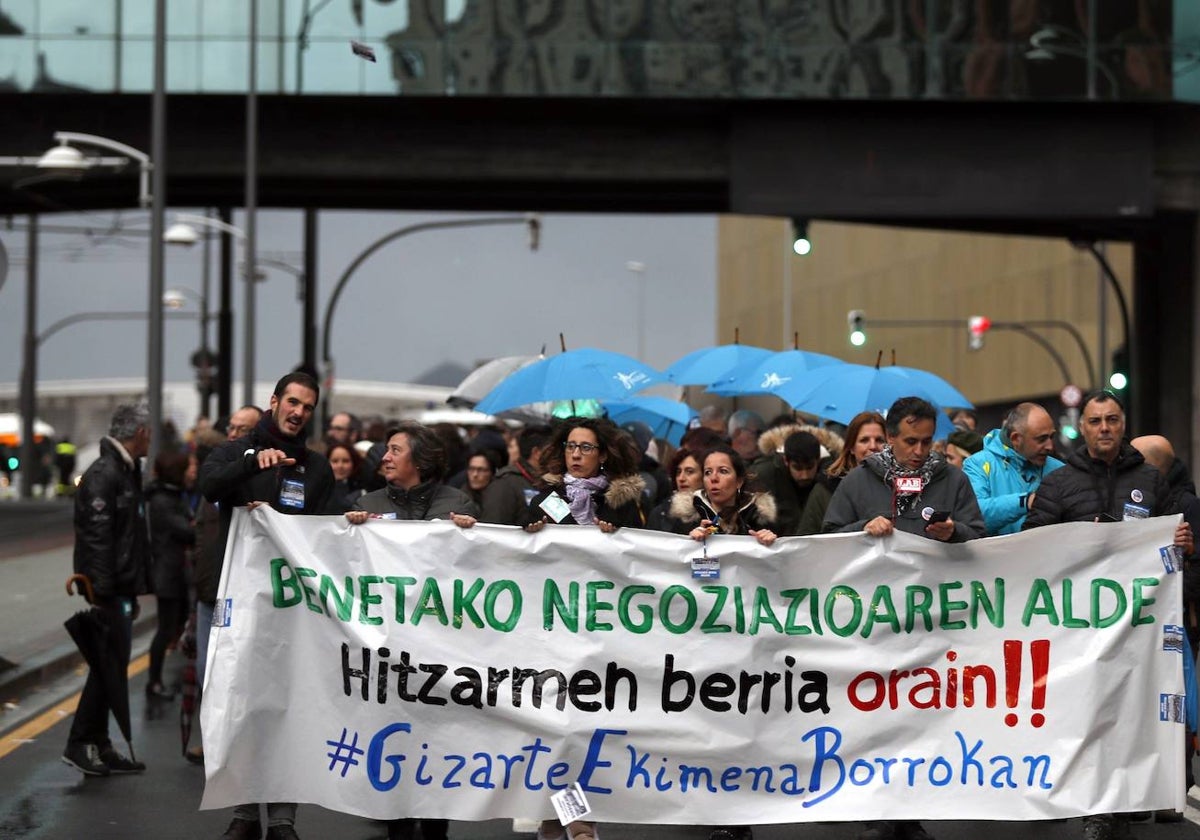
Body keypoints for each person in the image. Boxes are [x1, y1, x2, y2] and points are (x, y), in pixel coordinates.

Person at [1022, 391, 1193, 840]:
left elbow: (1173, 539)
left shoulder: (1151, 481)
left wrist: (1183, 544)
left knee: (1130, 714)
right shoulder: (1060, 483)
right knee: (1088, 715)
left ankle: (1124, 799)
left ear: (1123, 425)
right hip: (1078, 627)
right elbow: (1030, 542)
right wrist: (1079, 538)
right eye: (1095, 421)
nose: (1103, 428)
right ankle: (1097, 808)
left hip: (1136, 626)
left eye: (1111, 420)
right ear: (1084, 428)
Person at [823, 397, 984, 840]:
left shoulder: (951, 479)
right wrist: (860, 530)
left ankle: (909, 813)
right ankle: (880, 810)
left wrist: (957, 533)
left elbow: (980, 537)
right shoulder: (857, 482)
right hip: (874, 622)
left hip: (932, 622)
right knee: (876, 716)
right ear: (890, 437)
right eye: (910, 441)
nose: (919, 450)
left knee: (921, 716)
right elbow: (826, 538)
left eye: (927, 441)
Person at [199, 372, 334, 840]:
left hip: (291, 604)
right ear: (274, 402)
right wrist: (253, 463)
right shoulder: (236, 451)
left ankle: (282, 818)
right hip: (237, 598)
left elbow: (324, 532)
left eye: (308, 406)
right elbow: (209, 485)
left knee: (288, 704)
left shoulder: (317, 468)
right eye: (293, 402)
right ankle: (242, 811)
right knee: (240, 702)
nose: (299, 412)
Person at [343, 420, 478, 840]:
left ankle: (437, 828)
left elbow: (480, 568)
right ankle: (397, 825)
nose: (384, 456)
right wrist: (350, 533)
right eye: (386, 449)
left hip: (440, 651)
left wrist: (475, 535)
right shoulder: (368, 502)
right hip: (388, 652)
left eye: (395, 450)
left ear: (419, 460)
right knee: (392, 737)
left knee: (437, 741)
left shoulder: (458, 502)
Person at [61, 403, 152, 777]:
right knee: (107, 665)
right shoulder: (106, 473)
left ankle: (99, 743)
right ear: (138, 433)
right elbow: (98, 539)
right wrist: (106, 592)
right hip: (109, 590)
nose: (150, 438)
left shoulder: (124, 472)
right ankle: (80, 742)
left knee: (111, 665)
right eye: (148, 432)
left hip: (118, 587)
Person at [1131, 433, 1200, 823]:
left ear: (1155, 466)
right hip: (1145, 622)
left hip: (1177, 623)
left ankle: (1176, 787)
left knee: (1177, 705)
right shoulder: (1140, 501)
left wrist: (1168, 596)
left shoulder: (1188, 508)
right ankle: (1147, 790)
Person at [523, 416, 646, 533]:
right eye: (570, 446)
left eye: (586, 447)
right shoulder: (544, 501)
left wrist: (615, 534)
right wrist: (532, 530)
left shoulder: (621, 504)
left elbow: (635, 549)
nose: (575, 454)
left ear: (602, 455)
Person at [962, 402, 1063, 535]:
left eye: (1052, 437)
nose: (1050, 446)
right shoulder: (977, 465)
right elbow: (973, 517)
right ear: (1016, 438)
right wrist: (1024, 502)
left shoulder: (1059, 470)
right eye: (1041, 439)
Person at [145, 449, 196, 701]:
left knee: (171, 627)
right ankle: (153, 682)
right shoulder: (163, 501)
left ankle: (155, 681)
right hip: (168, 574)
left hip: (174, 572)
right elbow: (186, 531)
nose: (192, 472)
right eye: (189, 467)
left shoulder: (172, 496)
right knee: (165, 630)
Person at [672, 443, 779, 546]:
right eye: (708, 472)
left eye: (723, 471)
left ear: (739, 482)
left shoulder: (759, 518)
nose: (713, 478)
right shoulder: (685, 519)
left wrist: (769, 544)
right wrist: (690, 542)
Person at [748, 429, 833, 536]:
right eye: (797, 468)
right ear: (786, 461)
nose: (804, 475)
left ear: (818, 461)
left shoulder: (830, 476)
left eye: (810, 467)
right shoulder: (765, 475)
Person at [480, 423, 552, 525]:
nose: (558, 455)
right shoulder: (504, 484)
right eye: (552, 451)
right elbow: (492, 528)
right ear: (537, 453)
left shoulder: (551, 482)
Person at [824, 411, 887, 491]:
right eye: (864, 440)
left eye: (879, 440)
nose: (873, 446)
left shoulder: (902, 485)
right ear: (852, 447)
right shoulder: (830, 488)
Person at [647, 445, 704, 531]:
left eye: (689, 472)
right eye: (678, 472)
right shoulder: (659, 513)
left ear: (705, 476)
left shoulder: (715, 512)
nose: (681, 478)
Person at [326, 442, 367, 513]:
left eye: (345, 461)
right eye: (335, 461)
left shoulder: (363, 491)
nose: (340, 466)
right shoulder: (318, 489)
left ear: (354, 463)